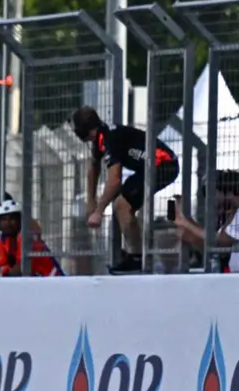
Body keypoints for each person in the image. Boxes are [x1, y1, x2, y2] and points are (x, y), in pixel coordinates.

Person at [71, 106, 179, 273]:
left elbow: (114, 180)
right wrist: (91, 201)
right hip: (148, 168)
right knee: (120, 202)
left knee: (122, 204)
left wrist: (99, 211)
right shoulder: (101, 136)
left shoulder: (109, 139)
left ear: (87, 131)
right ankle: (132, 252)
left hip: (163, 165)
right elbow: (94, 167)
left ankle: (136, 257)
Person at [0, 199, 64, 277]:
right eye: (4, 220)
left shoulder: (28, 238)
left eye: (12, 219)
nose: (8, 223)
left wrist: (5, 273)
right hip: (35, 281)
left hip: (51, 280)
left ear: (19, 220)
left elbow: (21, 267)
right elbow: (2, 265)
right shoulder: (5, 240)